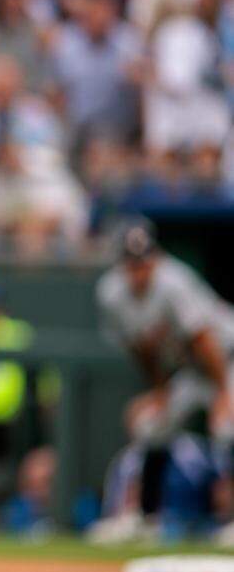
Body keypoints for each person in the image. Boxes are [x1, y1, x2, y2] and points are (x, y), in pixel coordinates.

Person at [89, 222, 234, 543]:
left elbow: (203, 340)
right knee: (151, 427)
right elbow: (142, 348)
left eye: (144, 262)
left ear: (155, 258)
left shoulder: (174, 282)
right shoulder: (111, 293)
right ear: (122, 264)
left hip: (225, 359)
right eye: (132, 263)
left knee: (228, 427)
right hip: (191, 370)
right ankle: (146, 517)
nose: (139, 271)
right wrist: (159, 390)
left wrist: (223, 394)